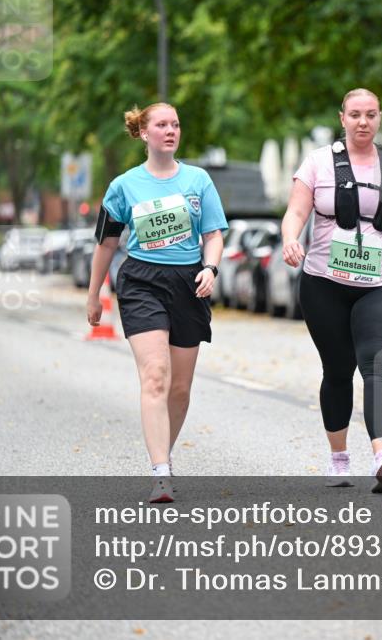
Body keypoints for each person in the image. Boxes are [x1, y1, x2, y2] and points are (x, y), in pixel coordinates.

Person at [281, 88, 382, 493]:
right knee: (338, 370)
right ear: (342, 118)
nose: (364, 122)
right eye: (356, 114)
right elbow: (295, 211)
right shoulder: (318, 163)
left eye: (371, 115)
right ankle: (339, 457)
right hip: (325, 282)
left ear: (380, 119)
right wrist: (292, 238)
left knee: (378, 364)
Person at [87, 102, 227, 503]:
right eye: (162, 125)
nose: (170, 130)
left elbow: (214, 234)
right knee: (155, 375)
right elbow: (107, 242)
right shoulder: (123, 186)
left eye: (176, 124)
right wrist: (94, 291)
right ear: (144, 133)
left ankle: (163, 454)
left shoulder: (198, 181)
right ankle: (160, 472)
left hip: (189, 282)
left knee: (180, 388)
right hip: (141, 281)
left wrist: (211, 269)